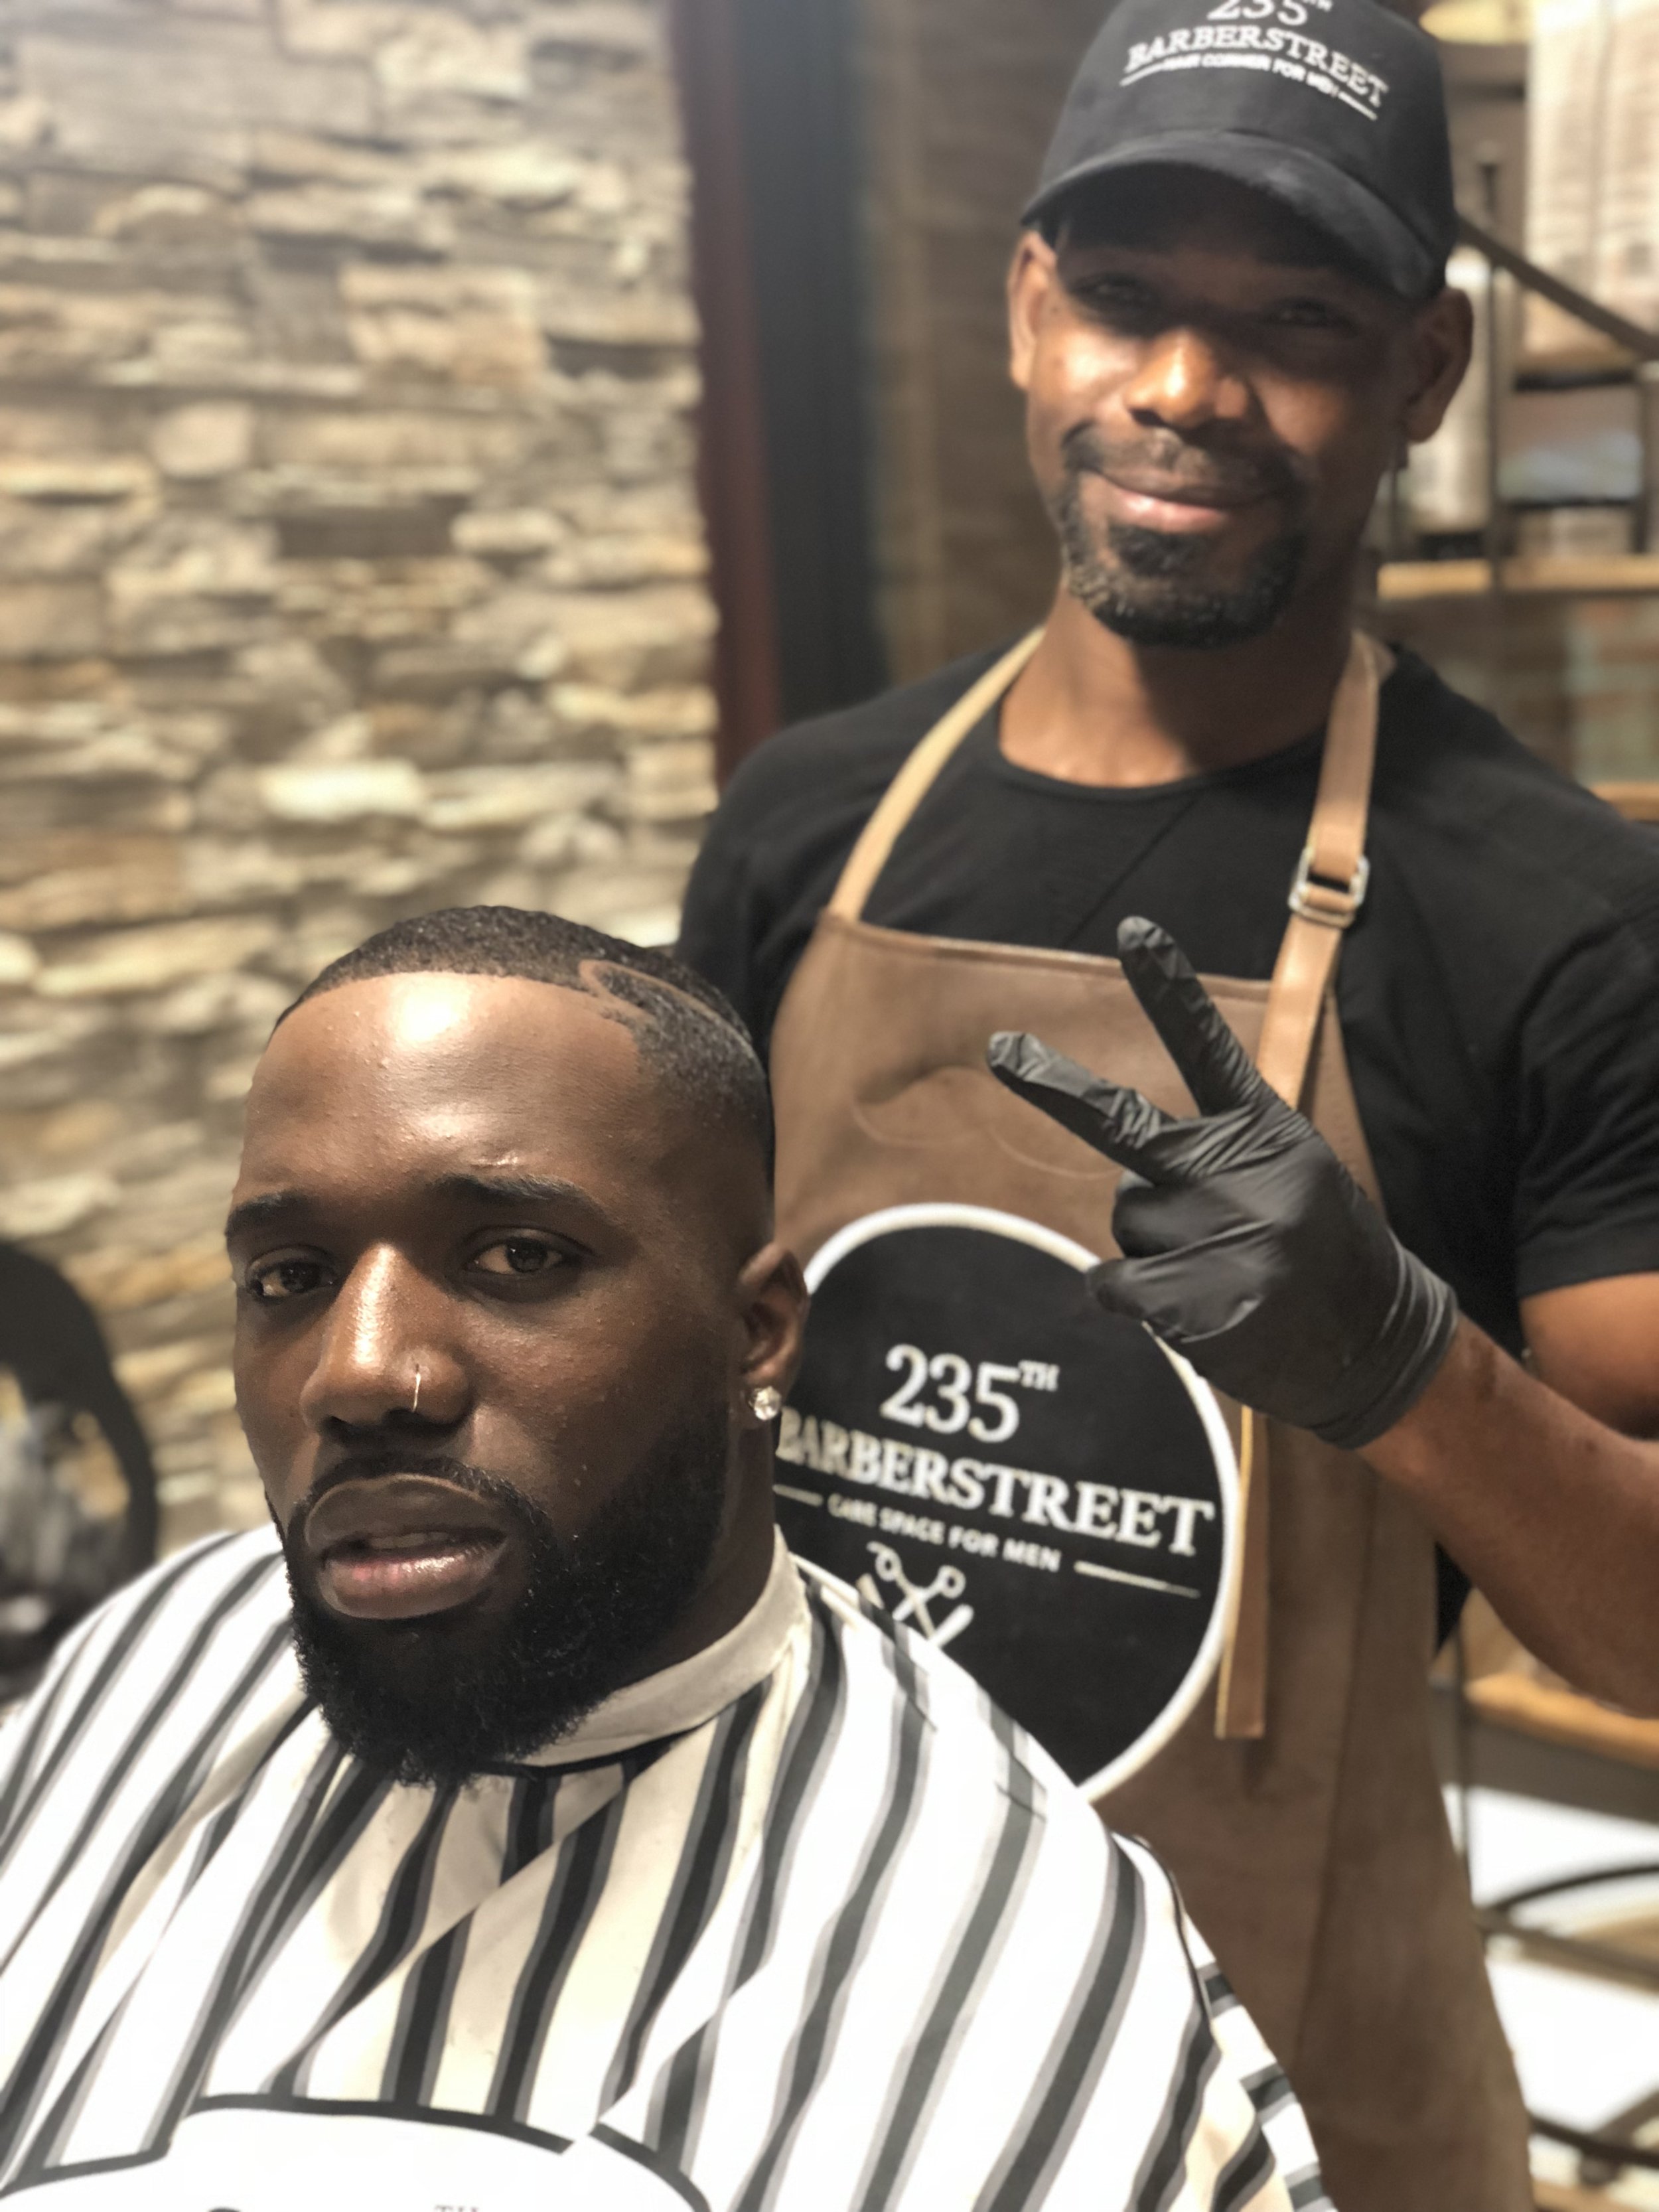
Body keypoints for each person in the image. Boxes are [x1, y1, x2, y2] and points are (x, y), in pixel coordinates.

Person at [678, 3, 1659, 2207]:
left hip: (1283, 2082)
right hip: (805, 1997)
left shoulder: (1556, 915)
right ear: (1031, 307)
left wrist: (1407, 1364)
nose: (1187, 392)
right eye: (1125, 297)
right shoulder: (807, 825)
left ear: (1424, 370)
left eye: (1293, 320)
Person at [0, 907, 1322, 2212]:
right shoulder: (153, 1653)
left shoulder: (1005, 1959)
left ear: (755, 1332)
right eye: (289, 1275)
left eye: (518, 1255)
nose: (360, 1371)